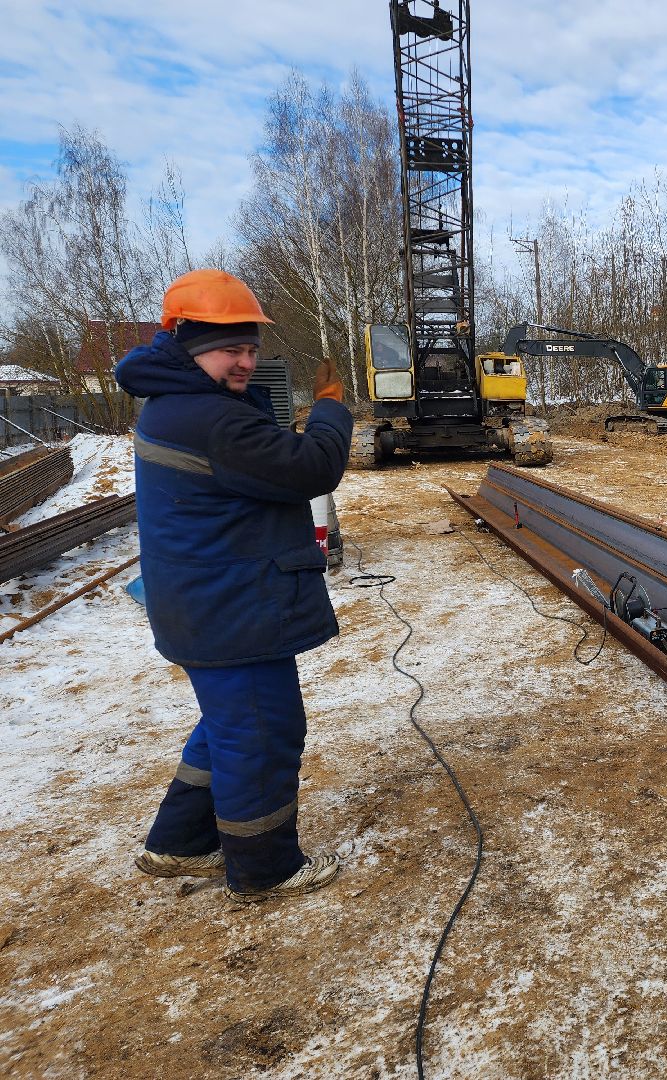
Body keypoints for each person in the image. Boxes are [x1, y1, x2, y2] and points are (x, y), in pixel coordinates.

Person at [116, 268, 353, 903]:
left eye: (251, 348)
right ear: (192, 347)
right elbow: (313, 466)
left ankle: (181, 842)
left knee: (227, 724)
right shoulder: (206, 418)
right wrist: (331, 410)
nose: (246, 361)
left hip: (205, 600)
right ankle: (264, 867)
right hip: (231, 607)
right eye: (232, 349)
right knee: (261, 731)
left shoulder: (175, 404)